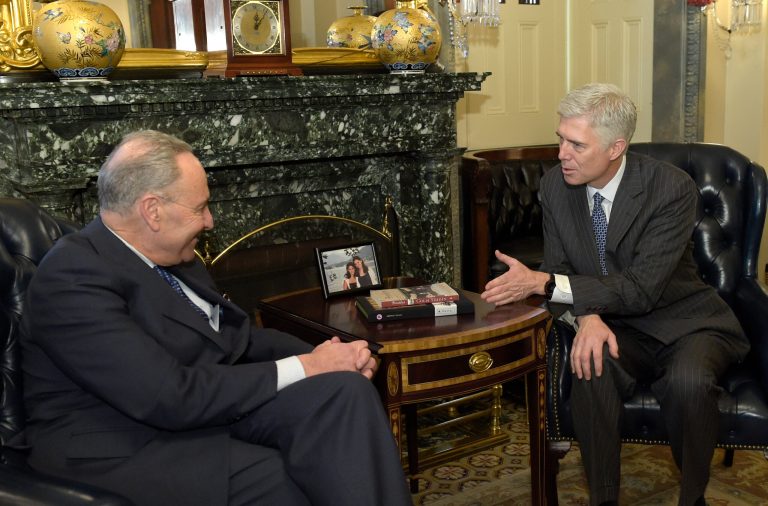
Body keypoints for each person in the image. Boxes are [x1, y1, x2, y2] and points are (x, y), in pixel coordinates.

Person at [17, 130, 411, 506]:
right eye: (200, 208)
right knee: (281, 480)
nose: (209, 222)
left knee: (344, 392)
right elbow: (168, 396)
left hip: (201, 411)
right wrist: (307, 366)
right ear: (152, 210)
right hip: (121, 445)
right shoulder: (72, 276)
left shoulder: (173, 256)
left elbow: (238, 340)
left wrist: (333, 357)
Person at [481, 83, 749, 506]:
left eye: (576, 144)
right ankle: (603, 498)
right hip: (612, 324)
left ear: (615, 147)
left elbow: (640, 289)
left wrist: (544, 283)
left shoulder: (671, 189)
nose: (561, 154)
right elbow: (563, 267)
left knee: (689, 383)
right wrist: (586, 318)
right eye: (560, 139)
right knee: (590, 365)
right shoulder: (555, 187)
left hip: (684, 324)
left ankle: (692, 498)